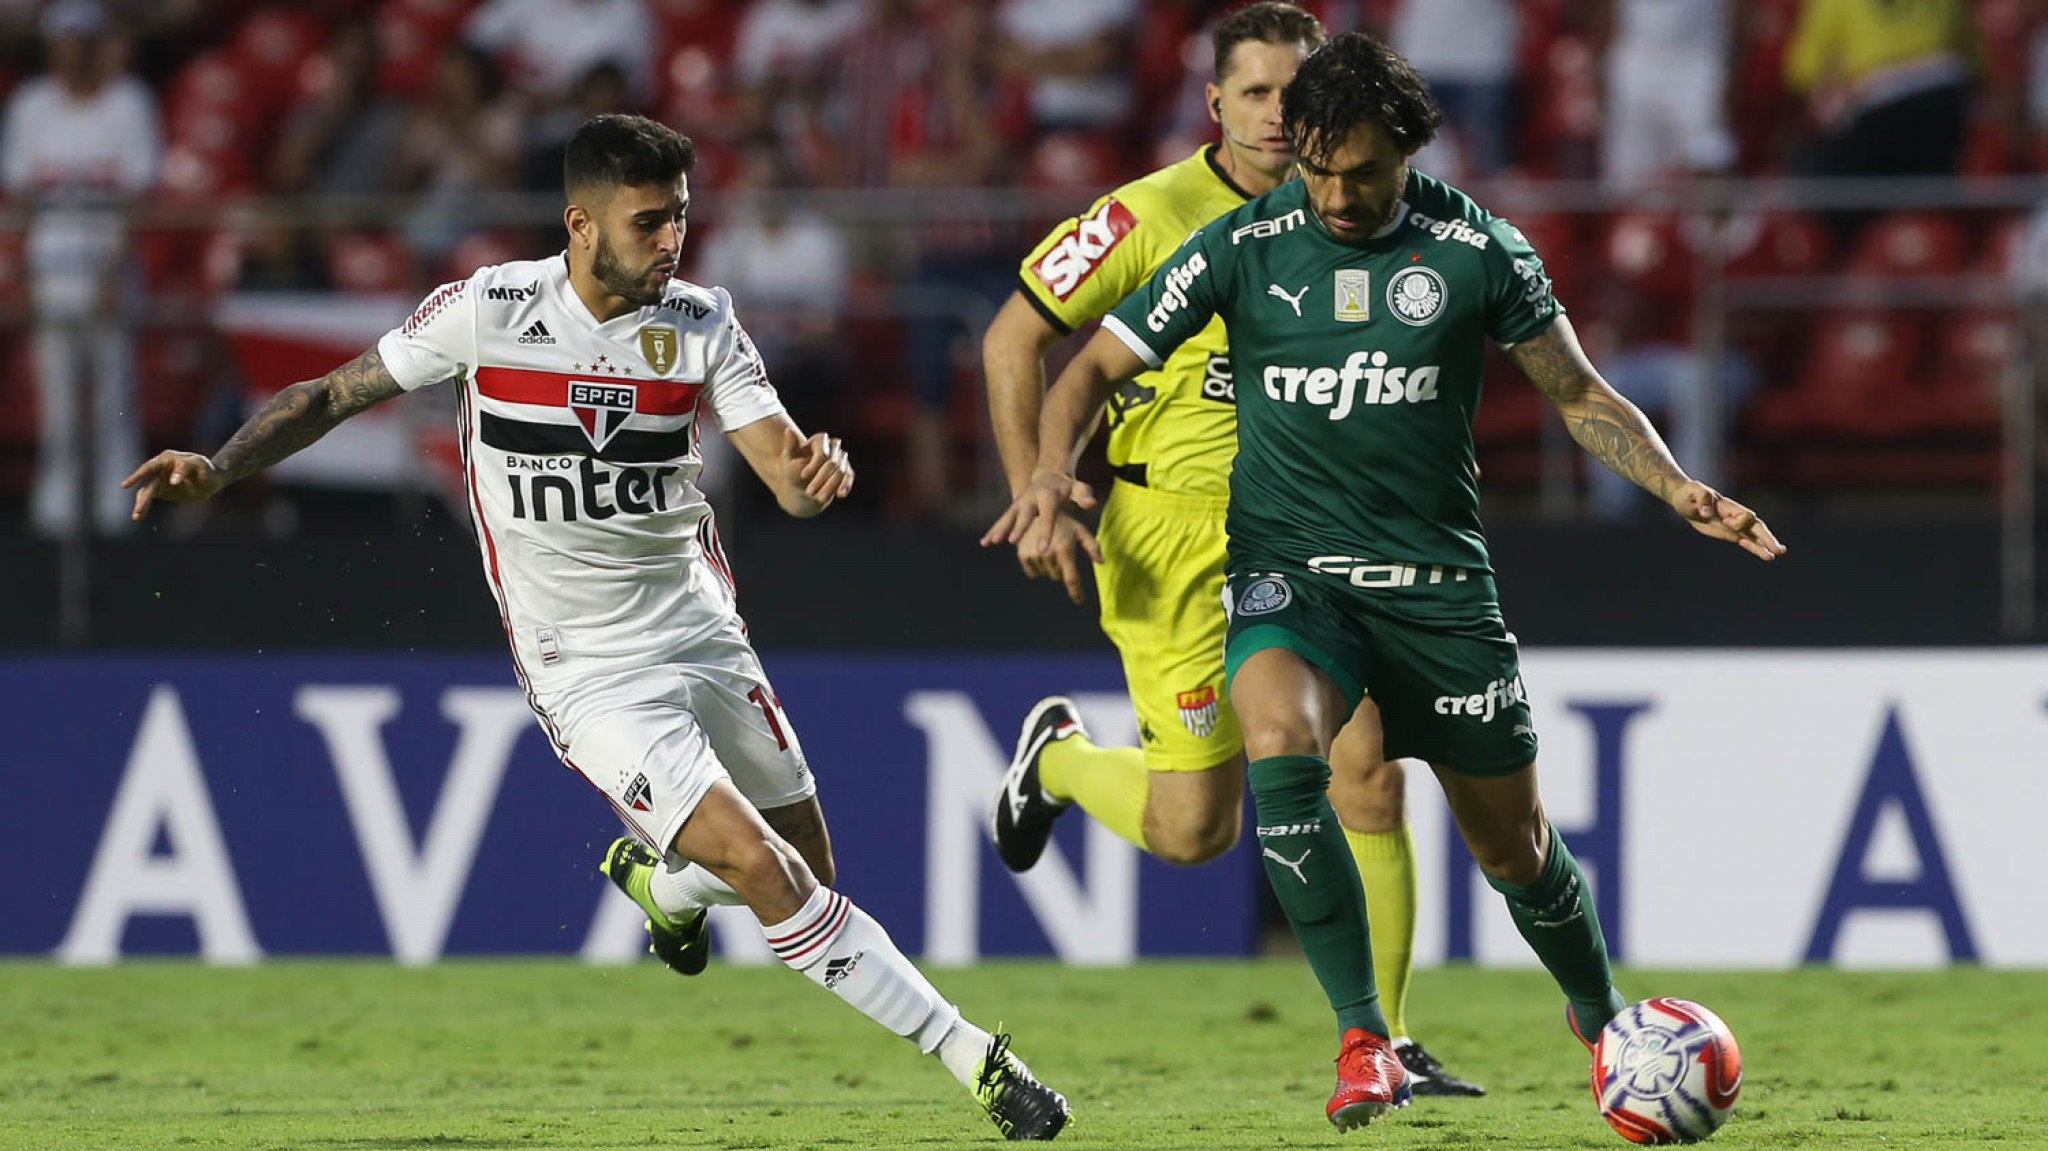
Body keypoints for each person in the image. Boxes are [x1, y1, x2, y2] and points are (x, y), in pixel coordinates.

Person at [124, 113, 1069, 1144]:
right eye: (650, 221)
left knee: (808, 873)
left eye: (681, 218)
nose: (673, 240)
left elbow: (784, 475)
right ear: (581, 224)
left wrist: (816, 477)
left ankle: (663, 888)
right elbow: (330, 395)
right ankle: (978, 1058)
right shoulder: (488, 309)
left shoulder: (702, 322)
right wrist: (216, 468)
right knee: (762, 871)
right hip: (584, 666)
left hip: (699, 629)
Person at [990, 33, 1784, 1129]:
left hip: (1436, 592)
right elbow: (1081, 365)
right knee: (1280, 744)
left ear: (1406, 151)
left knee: (1514, 845)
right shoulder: (1240, 243)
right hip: (1287, 577)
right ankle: (1366, 1036)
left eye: (1357, 170)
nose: (1333, 192)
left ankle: (1600, 1014)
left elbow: (1579, 394)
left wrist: (1677, 485)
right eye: (1314, 166)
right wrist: (1043, 473)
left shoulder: (1476, 249)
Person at [980, 2, 1480, 1099]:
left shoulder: (1352, 208)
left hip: (1311, 534)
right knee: (1192, 828)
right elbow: (1017, 334)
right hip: (1171, 538)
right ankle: (1055, 760)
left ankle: (1384, 1040)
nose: (1274, 116)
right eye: (1251, 94)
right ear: (1213, 103)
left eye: (1291, 95)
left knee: (1370, 775)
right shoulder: (1146, 216)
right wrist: (1038, 484)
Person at [2, 0, 160, 538]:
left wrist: (114, 275)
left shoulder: (128, 104)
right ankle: (59, 512)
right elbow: (22, 197)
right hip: (53, 271)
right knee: (60, 404)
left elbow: (136, 198)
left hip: (108, 270)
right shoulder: (31, 106)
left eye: (81, 41)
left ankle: (120, 512)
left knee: (115, 396)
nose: (72, 52)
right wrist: (20, 274)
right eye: (63, 42)